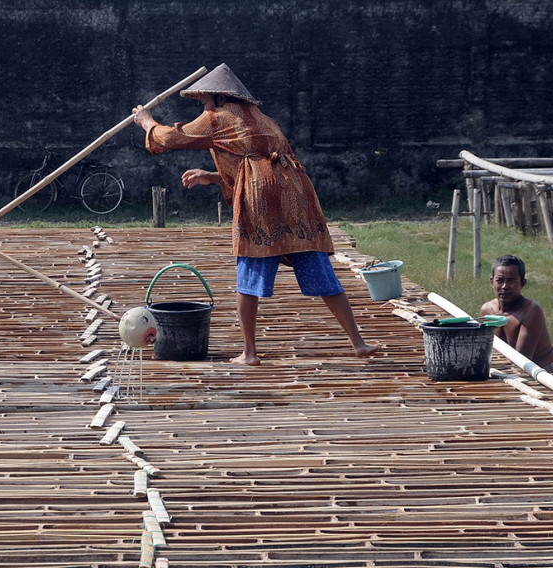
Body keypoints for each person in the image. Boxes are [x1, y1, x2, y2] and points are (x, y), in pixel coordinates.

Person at [131, 64, 378, 366]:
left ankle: (249, 353)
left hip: (261, 202)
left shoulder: (218, 117)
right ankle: (358, 343)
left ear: (221, 97)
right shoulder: (264, 119)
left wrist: (146, 122)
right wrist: (212, 176)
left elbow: (172, 138)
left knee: (250, 268)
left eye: (205, 101)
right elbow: (260, 164)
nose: (204, 107)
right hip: (297, 198)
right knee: (317, 265)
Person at [479, 254, 553, 376]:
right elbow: (485, 350)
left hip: (542, 373)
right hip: (507, 370)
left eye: (511, 281)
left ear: (523, 283)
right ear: (492, 282)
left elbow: (522, 360)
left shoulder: (531, 311)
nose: (505, 287)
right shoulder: (486, 310)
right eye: (499, 281)